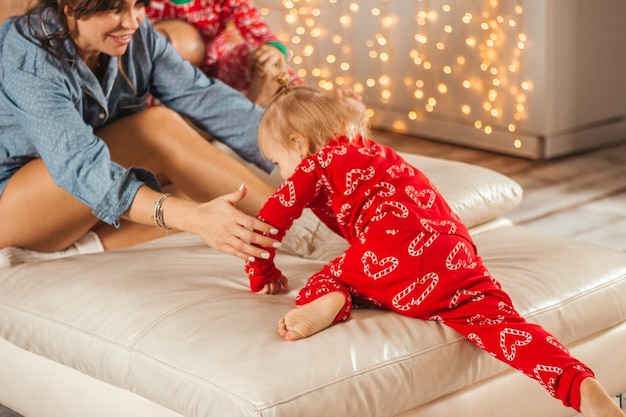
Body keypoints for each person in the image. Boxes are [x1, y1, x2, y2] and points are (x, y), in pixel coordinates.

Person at [244, 86, 626, 417]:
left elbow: (270, 221)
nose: (281, 174)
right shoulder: (379, 154)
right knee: (506, 327)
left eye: (278, 163)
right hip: (454, 253)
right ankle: (580, 386)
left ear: (298, 144)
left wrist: (262, 272)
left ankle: (333, 296)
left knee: (334, 272)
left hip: (392, 253)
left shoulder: (316, 164)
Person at [0, 0, 283, 262]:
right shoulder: (27, 53)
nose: (132, 22)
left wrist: (307, 151)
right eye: (115, 9)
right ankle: (298, 230)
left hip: (81, 194)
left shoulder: (137, 35)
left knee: (208, 187)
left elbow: (204, 98)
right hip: (14, 208)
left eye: (139, 4)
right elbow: (79, 166)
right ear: (70, 4)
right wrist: (192, 218)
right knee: (155, 128)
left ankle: (306, 209)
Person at [145, 0, 305, 106]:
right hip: (167, 79)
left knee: (261, 55)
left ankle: (306, 107)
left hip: (216, 68)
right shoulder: (144, 6)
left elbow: (252, 24)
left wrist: (274, 48)